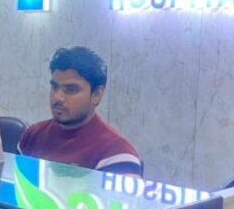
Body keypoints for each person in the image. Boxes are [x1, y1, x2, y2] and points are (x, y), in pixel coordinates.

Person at [18, 46, 143, 176]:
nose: (57, 97)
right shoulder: (33, 135)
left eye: (71, 90)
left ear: (96, 95)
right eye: (55, 87)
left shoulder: (118, 154)